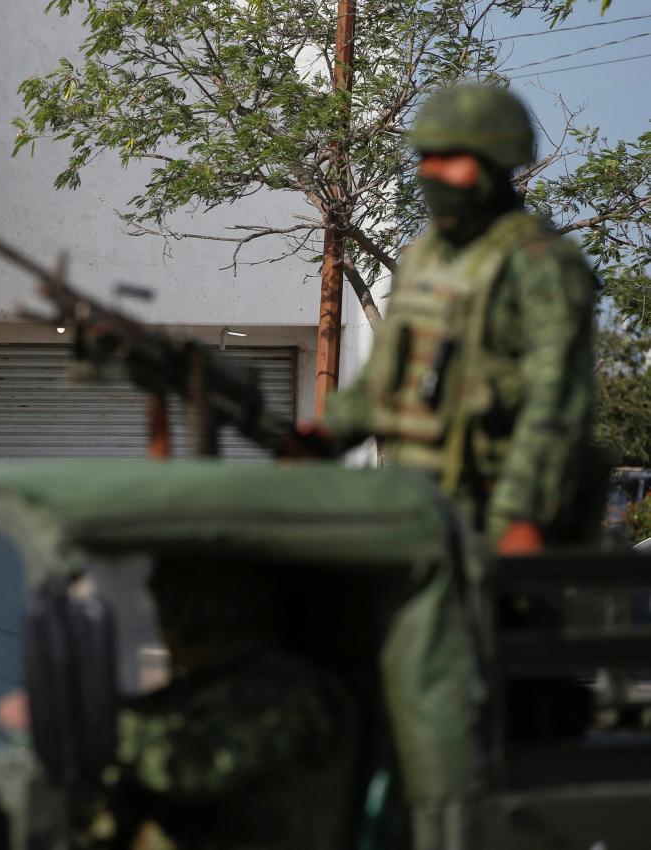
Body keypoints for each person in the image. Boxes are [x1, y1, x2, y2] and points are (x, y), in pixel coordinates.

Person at [308, 83, 602, 554]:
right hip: (416, 513)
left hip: (495, 525)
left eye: (449, 158)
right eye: (426, 157)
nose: (430, 172)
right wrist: (325, 434)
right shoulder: (425, 258)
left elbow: (557, 404)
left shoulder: (539, 263)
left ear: (494, 162)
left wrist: (522, 518)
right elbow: (384, 384)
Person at [82, 559, 359, 850]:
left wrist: (100, 723)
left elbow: (191, 767)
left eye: (160, 617)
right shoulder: (209, 687)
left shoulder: (282, 691)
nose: (157, 634)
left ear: (193, 621)